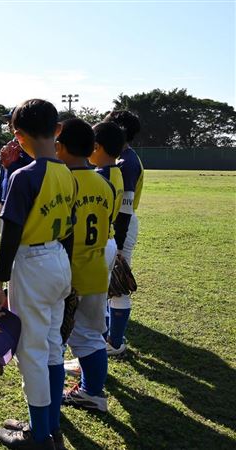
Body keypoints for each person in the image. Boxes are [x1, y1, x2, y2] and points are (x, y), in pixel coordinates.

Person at [0, 99, 75, 450]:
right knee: (52, 348)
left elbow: (10, 235)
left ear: (17, 135)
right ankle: (49, 426)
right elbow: (68, 229)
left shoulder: (24, 176)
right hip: (58, 261)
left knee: (32, 354)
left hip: (32, 264)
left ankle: (38, 437)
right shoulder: (67, 173)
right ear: (57, 131)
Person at [54, 118, 116, 414]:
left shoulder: (63, 181)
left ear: (60, 146)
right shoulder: (103, 182)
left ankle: (85, 394)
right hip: (96, 268)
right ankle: (92, 391)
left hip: (68, 274)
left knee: (58, 342)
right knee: (92, 337)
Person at [102, 111, 144, 356]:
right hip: (118, 225)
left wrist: (117, 243)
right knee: (111, 285)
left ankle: (114, 343)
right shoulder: (123, 158)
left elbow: (125, 208)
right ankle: (112, 337)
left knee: (117, 285)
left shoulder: (126, 162)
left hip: (122, 226)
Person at [0, 110, 34, 220]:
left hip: (20, 203)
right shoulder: (10, 145)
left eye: (12, 120)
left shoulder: (30, 146)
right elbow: (4, 174)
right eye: (8, 121)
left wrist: (11, 166)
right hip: (4, 200)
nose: (9, 124)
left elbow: (31, 173)